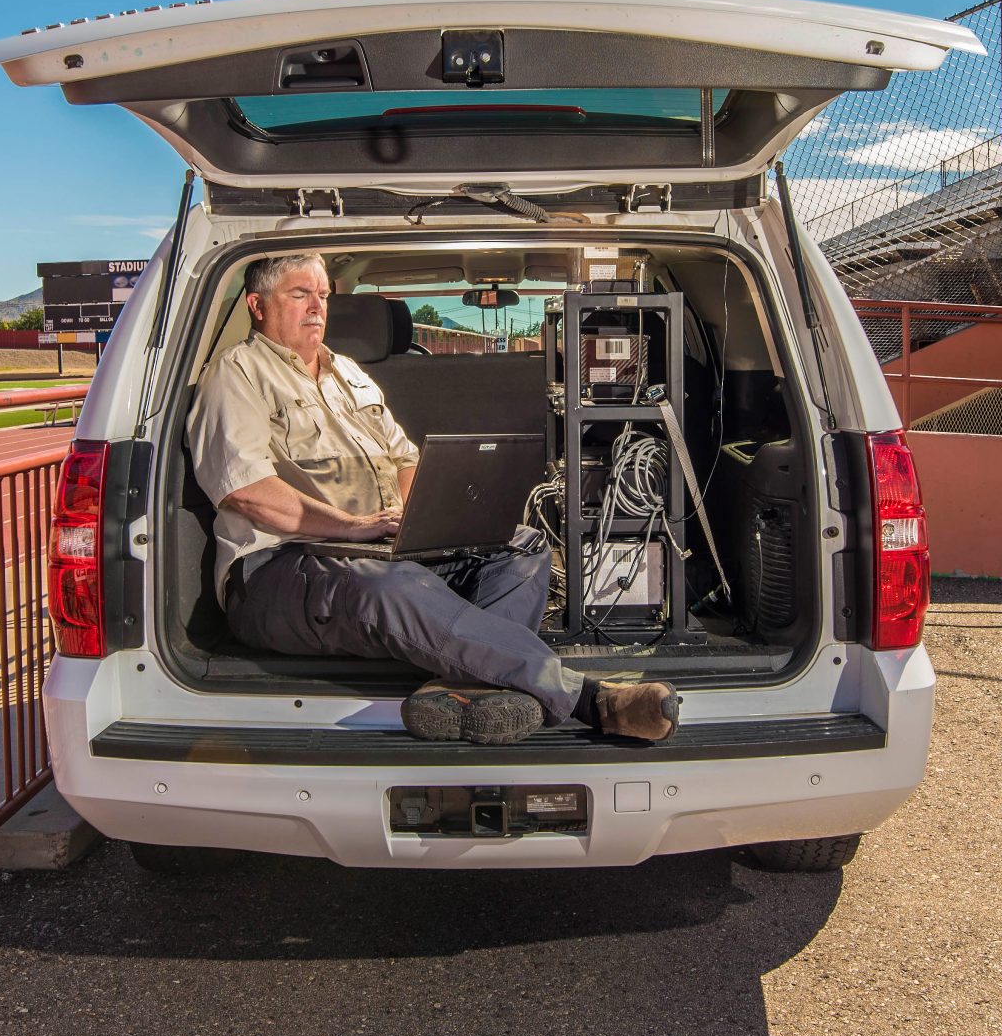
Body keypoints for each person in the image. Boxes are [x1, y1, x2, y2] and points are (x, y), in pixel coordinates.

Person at [188, 252, 681, 745]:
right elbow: (245, 491)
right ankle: (587, 699)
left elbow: (404, 460)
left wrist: (419, 519)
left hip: (376, 546)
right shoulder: (237, 372)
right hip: (277, 569)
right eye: (299, 295)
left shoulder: (349, 374)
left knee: (522, 544)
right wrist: (350, 527)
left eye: (322, 295)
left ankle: (462, 688)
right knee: (391, 583)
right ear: (257, 305)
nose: (317, 307)